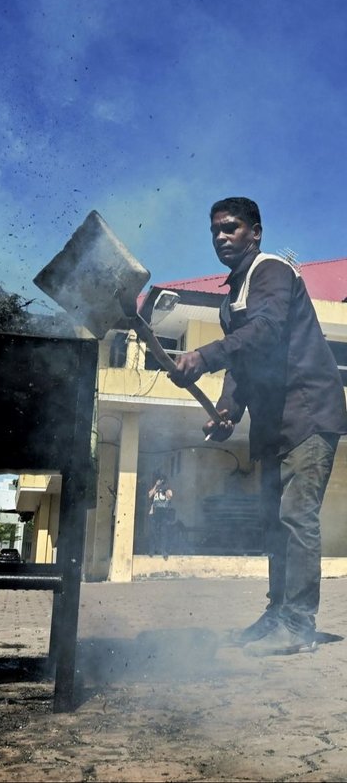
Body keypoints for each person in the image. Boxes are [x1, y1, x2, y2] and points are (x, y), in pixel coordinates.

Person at [169, 197, 347, 656]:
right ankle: (277, 614)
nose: (222, 237)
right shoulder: (232, 301)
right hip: (273, 426)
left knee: (295, 516)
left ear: (256, 232)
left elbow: (267, 330)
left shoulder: (272, 271)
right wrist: (228, 411)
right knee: (272, 523)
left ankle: (299, 624)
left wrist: (203, 356)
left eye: (231, 228)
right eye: (215, 231)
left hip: (308, 413)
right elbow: (244, 365)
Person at [147, 474, 174, 559]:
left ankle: (163, 551)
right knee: (152, 532)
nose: (161, 482)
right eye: (159, 480)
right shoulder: (155, 489)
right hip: (154, 513)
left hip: (163, 514)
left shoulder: (167, 490)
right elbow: (149, 495)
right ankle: (152, 550)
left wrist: (165, 489)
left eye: (162, 481)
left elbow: (170, 496)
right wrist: (156, 486)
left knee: (163, 533)